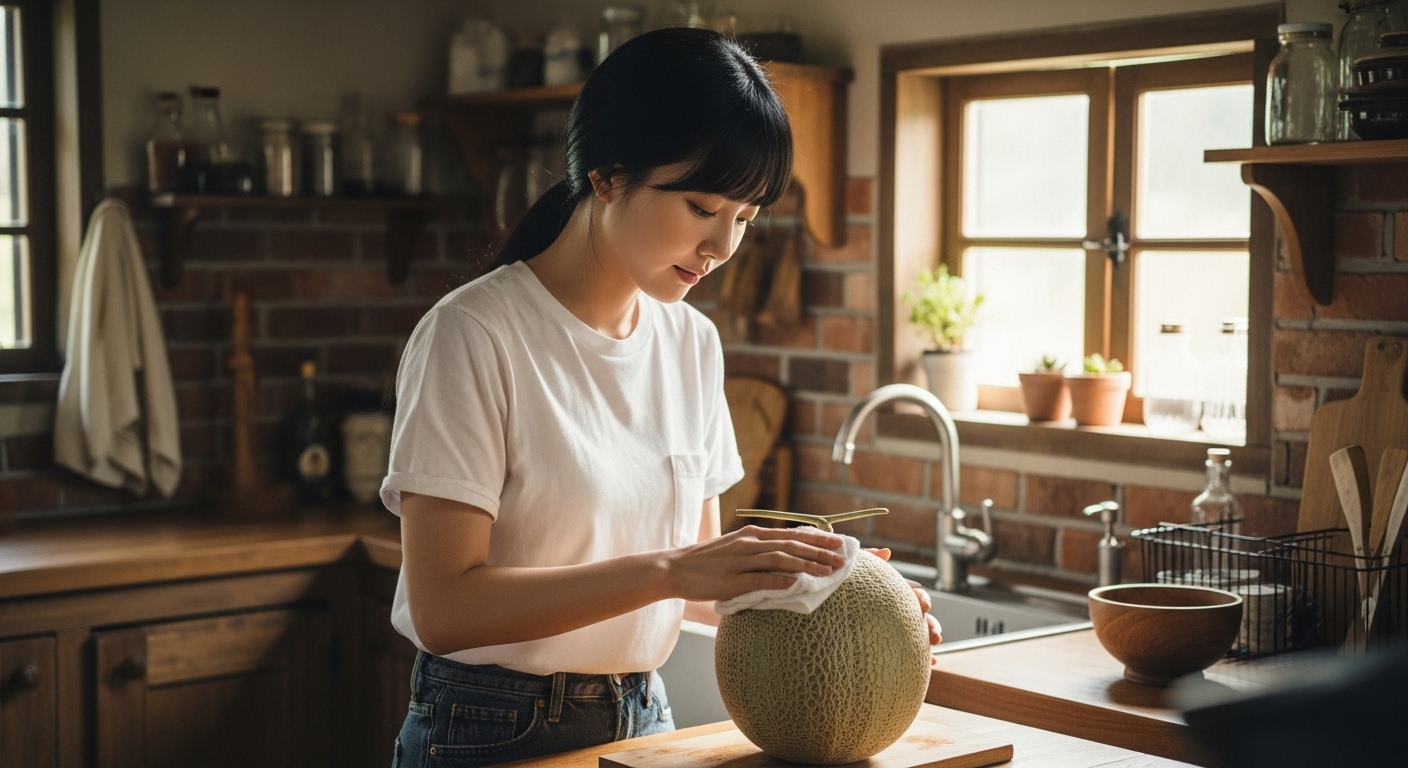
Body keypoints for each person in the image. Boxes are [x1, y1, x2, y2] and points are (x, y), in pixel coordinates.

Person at [381, 26, 941, 768]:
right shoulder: (473, 334)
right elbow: (444, 608)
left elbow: (704, 587)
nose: (723, 247)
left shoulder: (690, 344)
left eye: (744, 218)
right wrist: (670, 570)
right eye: (703, 208)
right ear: (608, 176)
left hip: (645, 717)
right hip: (486, 727)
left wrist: (837, 593)